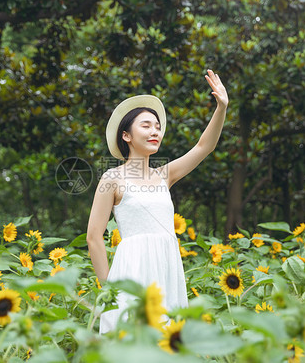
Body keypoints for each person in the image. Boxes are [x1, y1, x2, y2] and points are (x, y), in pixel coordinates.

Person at [86, 70, 228, 334]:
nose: (155, 131)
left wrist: (221, 107)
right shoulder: (112, 178)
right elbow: (93, 237)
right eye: (146, 125)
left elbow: (203, 147)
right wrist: (108, 288)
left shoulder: (165, 175)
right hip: (131, 269)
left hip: (166, 268)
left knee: (167, 342)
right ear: (126, 136)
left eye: (158, 126)